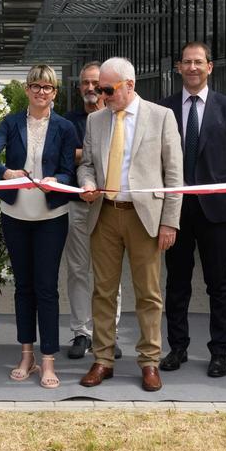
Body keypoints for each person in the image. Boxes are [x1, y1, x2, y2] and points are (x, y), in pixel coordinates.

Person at [76, 57, 182, 392]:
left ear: (130, 85)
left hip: (145, 217)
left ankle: (149, 361)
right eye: (97, 89)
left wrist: (170, 222)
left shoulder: (161, 117)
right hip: (105, 214)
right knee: (103, 291)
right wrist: (88, 182)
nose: (100, 95)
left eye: (107, 89)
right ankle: (103, 359)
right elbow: (87, 165)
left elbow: (174, 175)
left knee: (148, 294)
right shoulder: (95, 121)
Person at [0, 65, 80, 388]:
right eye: (35, 86)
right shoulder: (10, 123)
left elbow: (69, 171)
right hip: (15, 215)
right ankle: (26, 354)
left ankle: (48, 359)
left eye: (47, 87)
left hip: (51, 217)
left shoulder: (64, 127)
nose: (41, 92)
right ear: (26, 90)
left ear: (55, 93)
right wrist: (6, 173)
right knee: (23, 288)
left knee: (46, 288)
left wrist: (57, 181)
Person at [159, 42, 226, 378]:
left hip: (218, 212)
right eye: (187, 62)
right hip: (176, 212)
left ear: (210, 67)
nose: (193, 67)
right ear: (178, 67)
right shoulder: (165, 109)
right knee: (177, 283)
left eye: (199, 62)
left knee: (219, 283)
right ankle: (177, 347)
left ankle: (220, 352)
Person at [62, 61, 122, 360]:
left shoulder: (117, 117)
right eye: (85, 83)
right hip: (78, 206)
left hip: (111, 206)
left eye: (95, 83)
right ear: (79, 88)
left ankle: (108, 333)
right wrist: (100, 153)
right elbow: (63, 157)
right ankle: (82, 332)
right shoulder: (68, 122)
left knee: (109, 273)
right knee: (77, 271)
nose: (90, 88)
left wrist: (82, 154)